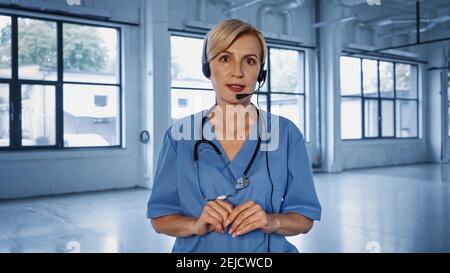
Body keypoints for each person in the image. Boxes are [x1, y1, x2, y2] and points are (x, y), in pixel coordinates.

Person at [146, 18, 321, 253]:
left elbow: (304, 217)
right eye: (225, 58)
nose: (237, 72)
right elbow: (160, 218)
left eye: (249, 61)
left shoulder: (286, 134)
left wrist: (272, 221)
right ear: (208, 68)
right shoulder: (179, 136)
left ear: (261, 73)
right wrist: (195, 224)